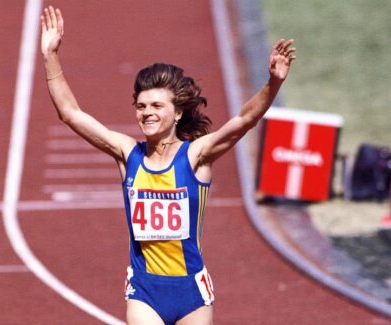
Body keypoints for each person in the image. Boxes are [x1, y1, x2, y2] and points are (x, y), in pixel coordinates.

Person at [40, 5, 295, 325]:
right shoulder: (126, 154)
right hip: (145, 290)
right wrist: (50, 55)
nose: (147, 112)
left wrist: (273, 83)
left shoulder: (196, 156)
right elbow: (71, 114)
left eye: (157, 106)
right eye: (141, 106)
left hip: (191, 292)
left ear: (177, 113)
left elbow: (243, 121)